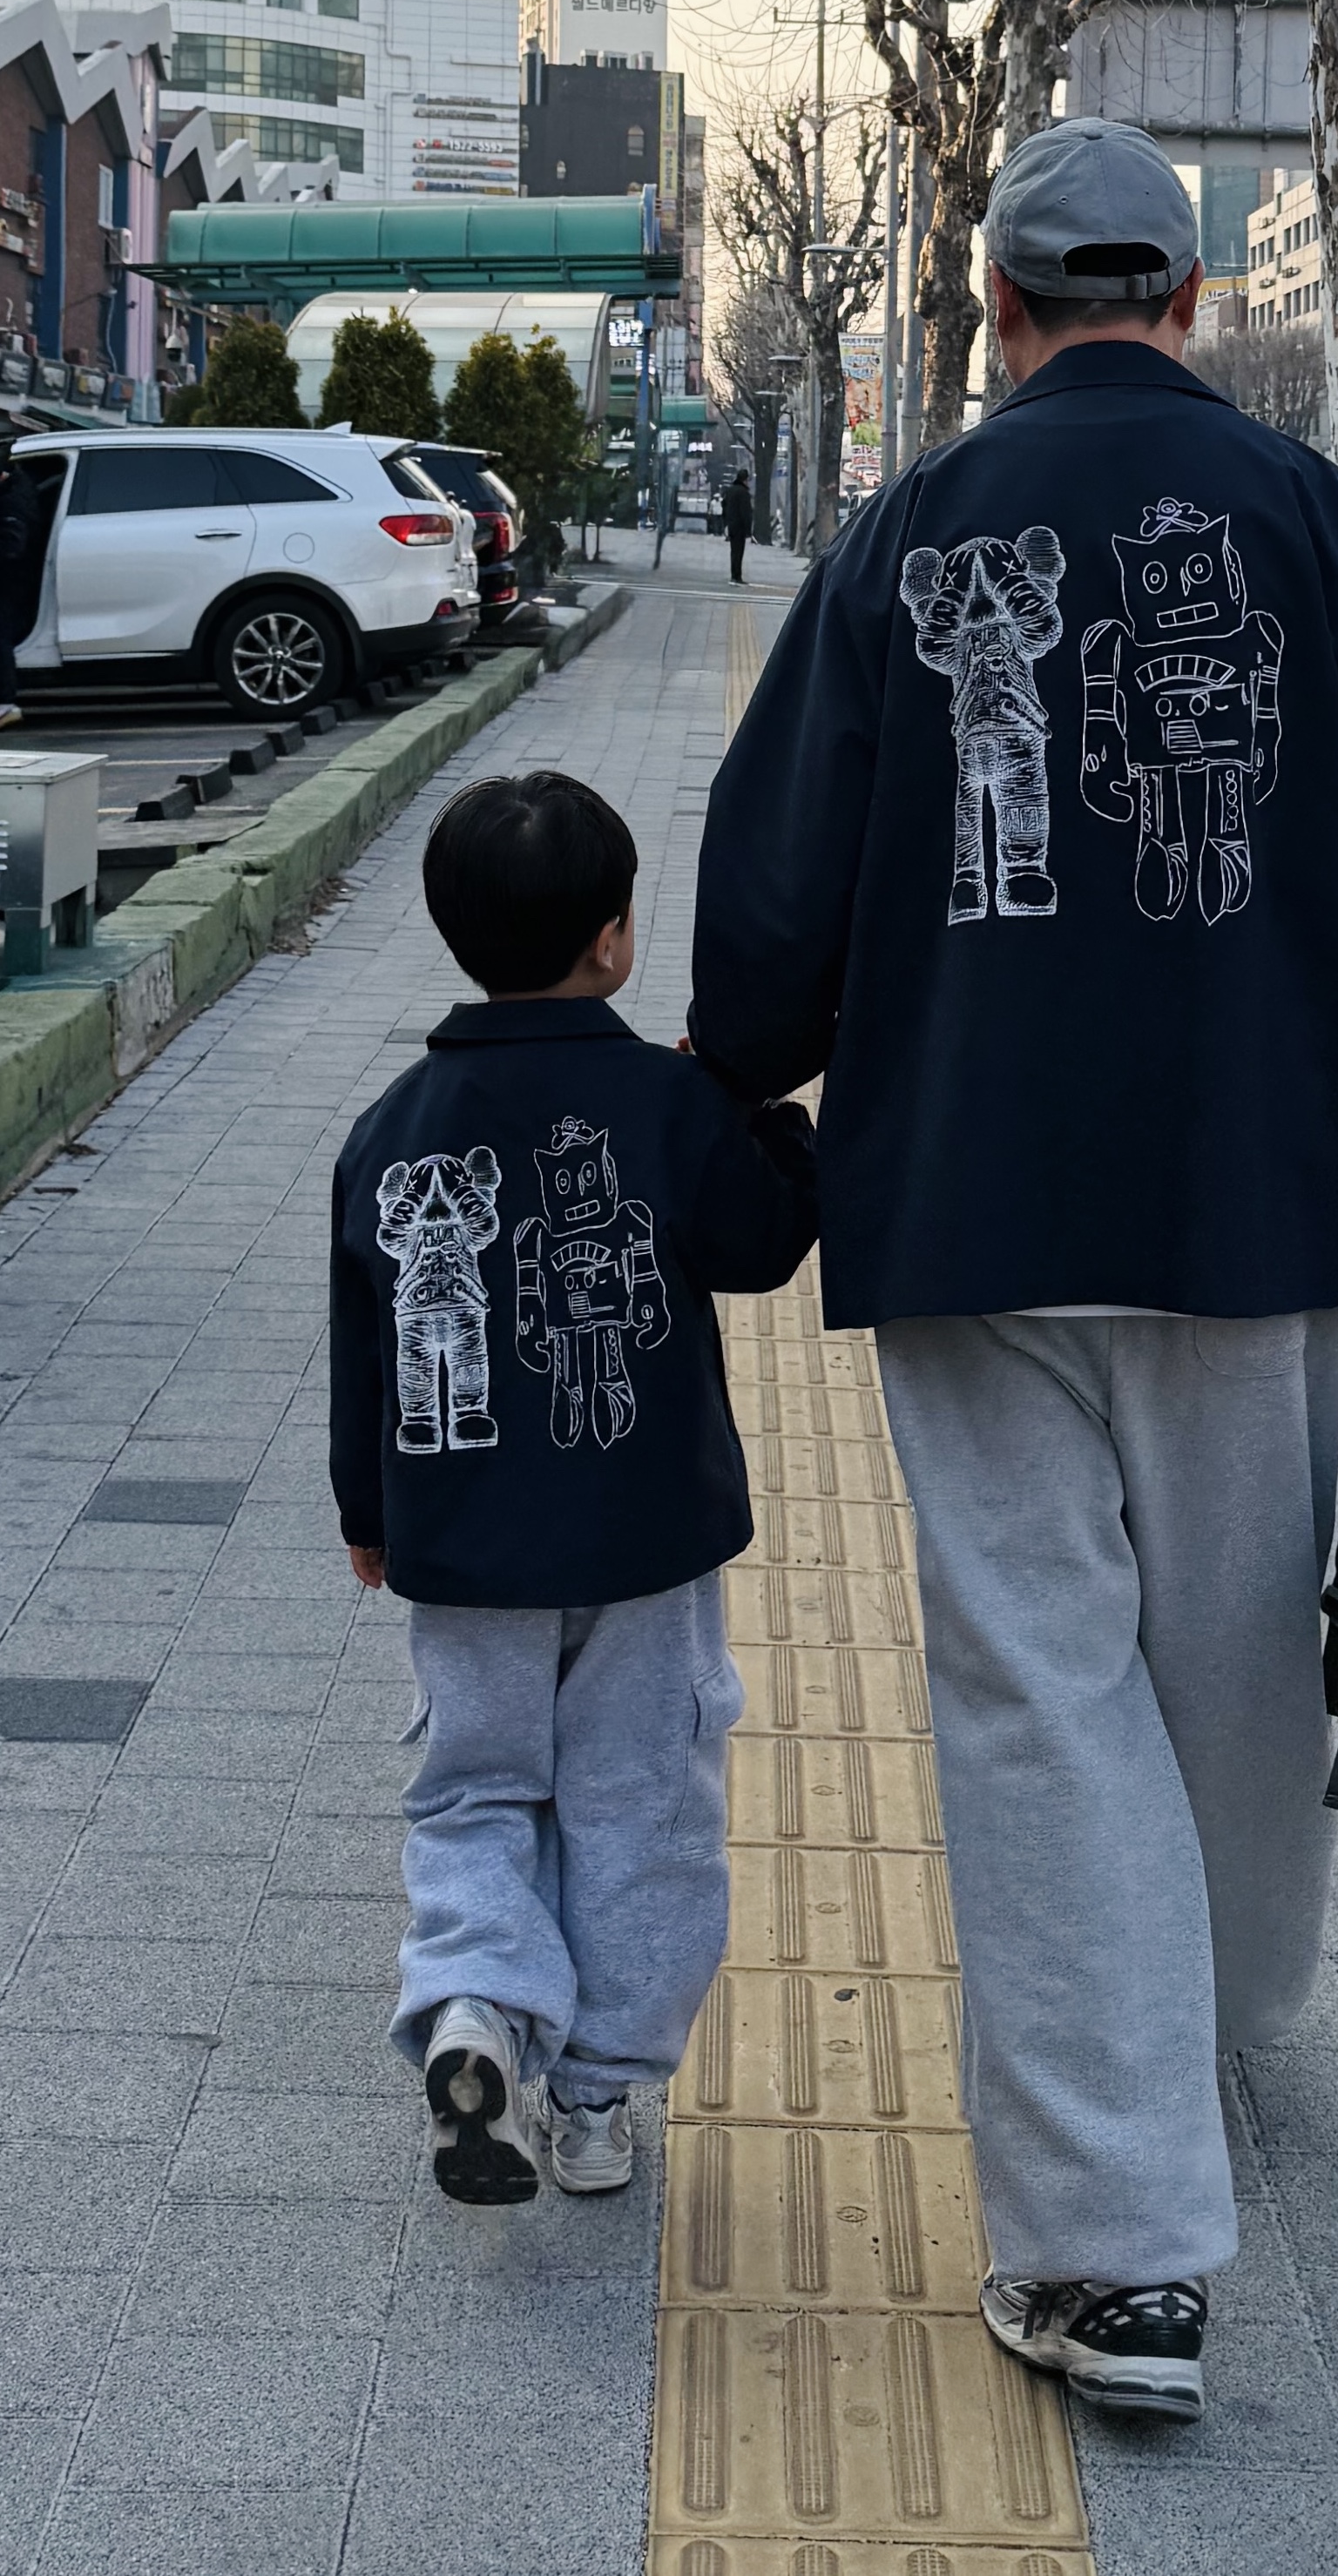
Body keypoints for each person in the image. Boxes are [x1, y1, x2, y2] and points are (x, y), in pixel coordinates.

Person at [688, 117, 1338, 2424]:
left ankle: (1110, 2245)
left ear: (996, 306)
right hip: (1251, 1194)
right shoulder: (1313, 526)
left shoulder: (902, 534)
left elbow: (777, 880)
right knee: (1224, 1638)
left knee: (1033, 1681)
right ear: (1182, 304)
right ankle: (1205, 2023)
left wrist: (745, 1085)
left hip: (970, 1198)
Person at [332, 771, 819, 2205]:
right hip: (645, 1531)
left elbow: (363, 1339)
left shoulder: (392, 1128)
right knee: (639, 1803)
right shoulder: (667, 1104)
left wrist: (370, 1513)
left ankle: (475, 2005)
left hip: (463, 1538)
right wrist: (773, 1121)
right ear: (615, 938)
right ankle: (599, 2101)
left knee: (475, 1787)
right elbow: (763, 1242)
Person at [0, 448, 63, 731]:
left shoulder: (12, 498)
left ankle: (5, 704)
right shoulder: (19, 489)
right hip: (21, 573)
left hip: (12, 575)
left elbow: (11, 545)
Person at [719, 465, 755, 585]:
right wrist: (748, 530)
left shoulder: (730, 491)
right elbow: (746, 512)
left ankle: (734, 574)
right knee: (739, 552)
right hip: (740, 526)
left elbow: (724, 506)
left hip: (731, 525)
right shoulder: (744, 493)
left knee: (733, 551)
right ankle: (737, 576)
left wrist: (725, 522)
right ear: (745, 479)